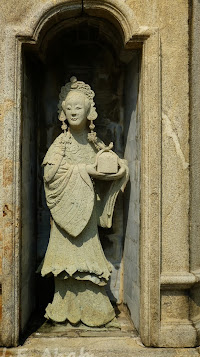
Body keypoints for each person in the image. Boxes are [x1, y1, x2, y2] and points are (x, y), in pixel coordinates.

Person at [40, 76, 128, 327]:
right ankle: (63, 304)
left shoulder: (93, 142)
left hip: (87, 213)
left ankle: (93, 305)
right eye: (69, 108)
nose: (74, 112)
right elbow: (48, 173)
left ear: (90, 112)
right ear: (62, 114)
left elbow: (110, 162)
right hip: (63, 213)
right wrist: (83, 170)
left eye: (79, 107)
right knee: (64, 261)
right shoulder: (61, 143)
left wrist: (119, 167)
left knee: (89, 256)